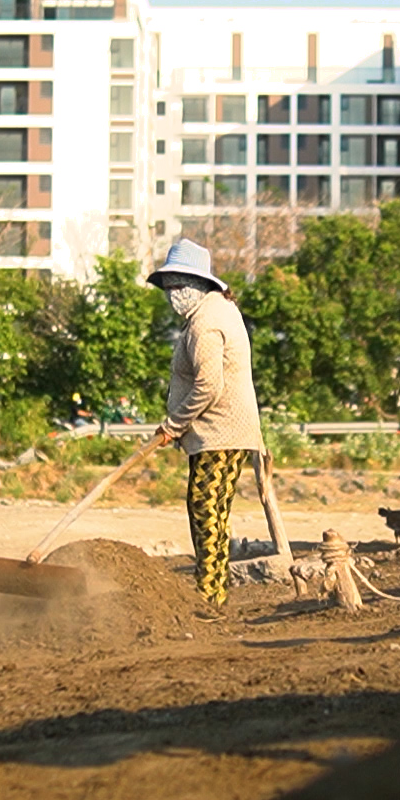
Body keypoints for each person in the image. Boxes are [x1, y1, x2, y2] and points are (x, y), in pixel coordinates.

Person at [148, 238, 264, 606]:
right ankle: (213, 589)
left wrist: (173, 425)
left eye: (178, 285)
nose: (172, 294)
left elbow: (208, 386)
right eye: (169, 287)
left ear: (200, 284)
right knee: (210, 509)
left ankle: (210, 595)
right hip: (221, 432)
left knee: (205, 507)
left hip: (220, 432)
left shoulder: (206, 323)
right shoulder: (214, 313)